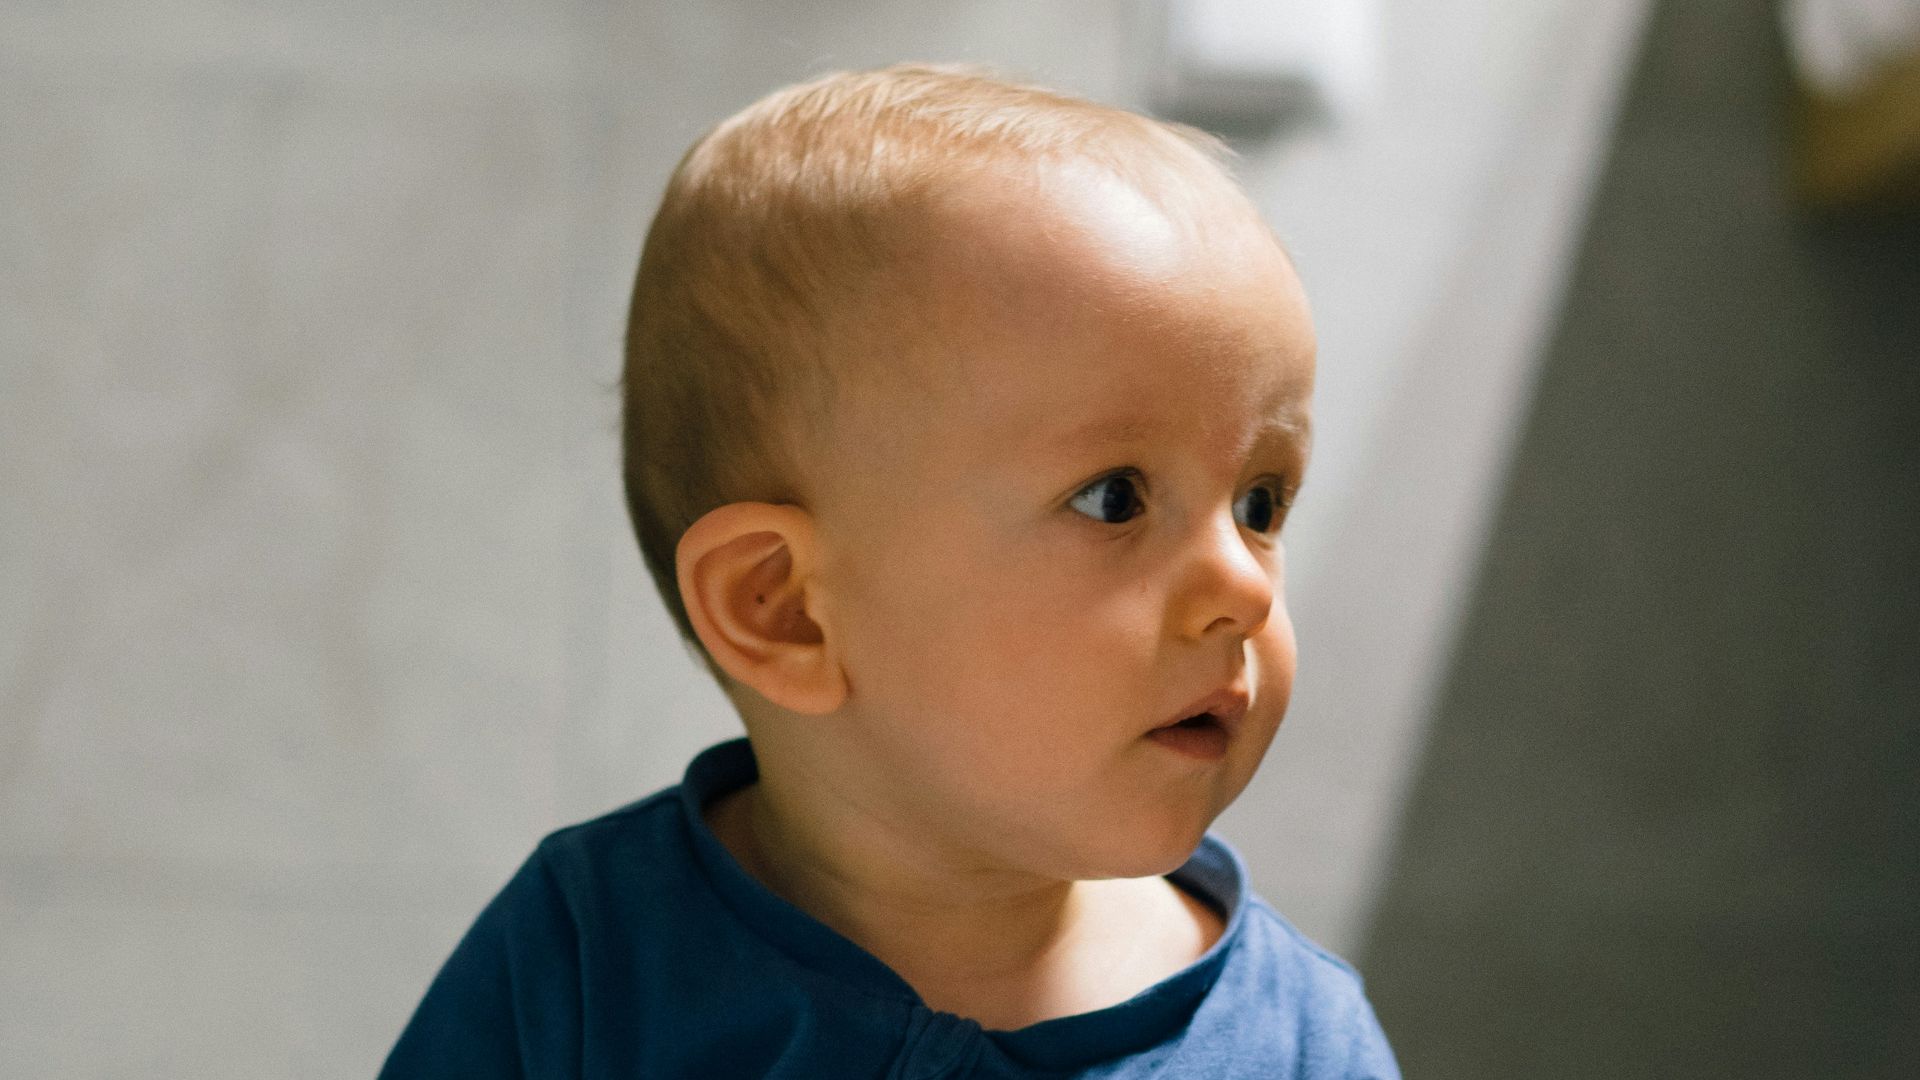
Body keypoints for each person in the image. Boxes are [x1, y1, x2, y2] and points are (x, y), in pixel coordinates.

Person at [379, 62, 1400, 1078]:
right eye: (1113, 498)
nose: (1247, 587)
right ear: (782, 610)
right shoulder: (587, 966)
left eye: (1260, 505)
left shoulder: (1303, 1046)